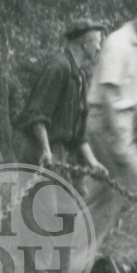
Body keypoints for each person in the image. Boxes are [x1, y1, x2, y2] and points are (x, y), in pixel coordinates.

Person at [85, 0, 137, 243]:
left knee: (106, 193)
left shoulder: (136, 46)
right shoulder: (118, 43)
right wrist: (118, 140)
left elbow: (134, 95)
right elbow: (107, 94)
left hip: (119, 124)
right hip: (107, 124)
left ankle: (70, 249)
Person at [15, 20, 106, 173]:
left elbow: (78, 135)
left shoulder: (79, 77)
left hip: (57, 152)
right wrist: (46, 150)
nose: (99, 48)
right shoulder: (58, 67)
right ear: (85, 43)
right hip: (38, 149)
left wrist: (93, 162)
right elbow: (36, 116)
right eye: (98, 42)